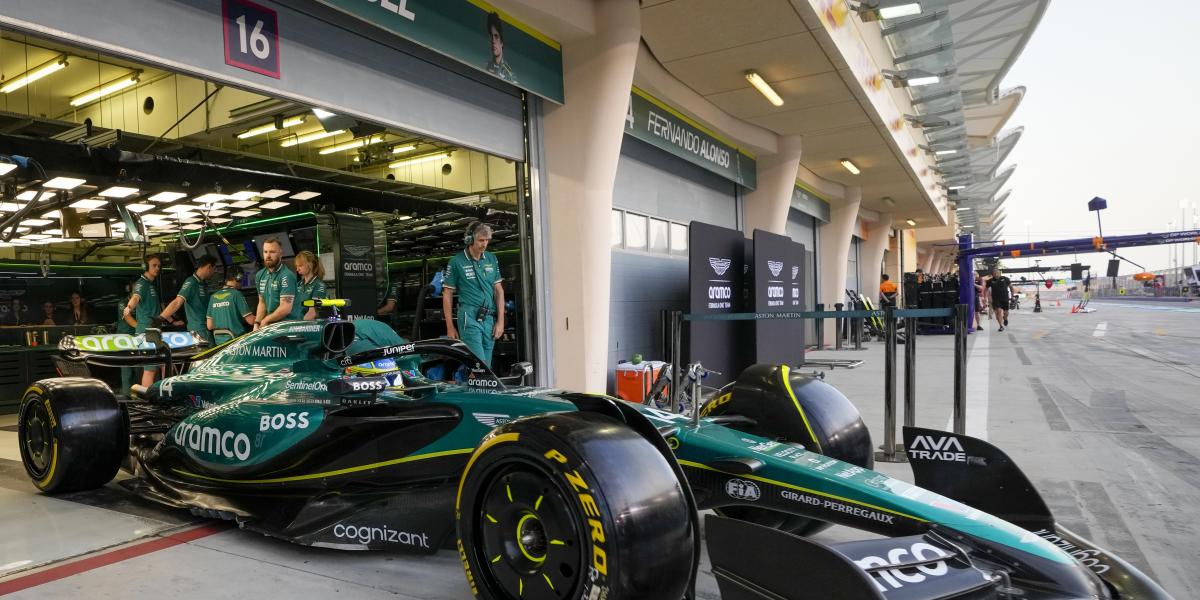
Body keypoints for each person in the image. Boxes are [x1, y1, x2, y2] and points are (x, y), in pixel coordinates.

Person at [443, 222, 505, 366]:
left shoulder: (491, 258)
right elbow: (447, 294)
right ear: (470, 239)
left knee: (486, 366)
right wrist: (450, 326)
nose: (484, 244)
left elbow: (499, 291)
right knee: (479, 364)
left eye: (487, 240)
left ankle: (477, 388)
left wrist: (501, 321)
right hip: (469, 317)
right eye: (481, 240)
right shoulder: (456, 261)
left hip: (489, 318)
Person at [125, 255, 168, 388]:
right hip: (146, 331)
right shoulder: (141, 283)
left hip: (153, 330)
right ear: (145, 267)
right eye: (154, 265)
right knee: (150, 369)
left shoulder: (150, 284)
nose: (157, 268)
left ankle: (158, 396)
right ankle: (147, 402)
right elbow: (135, 297)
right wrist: (129, 307)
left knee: (160, 365)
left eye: (159, 266)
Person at [160, 255, 216, 342]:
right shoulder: (191, 282)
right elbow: (177, 302)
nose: (214, 272)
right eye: (214, 269)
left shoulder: (203, 284)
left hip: (207, 329)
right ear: (209, 267)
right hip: (199, 331)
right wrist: (160, 318)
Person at [254, 238, 296, 329]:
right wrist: (256, 323)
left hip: (288, 326)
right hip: (271, 326)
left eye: (272, 252)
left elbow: (285, 308)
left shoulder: (287, 275)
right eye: (265, 252)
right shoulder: (260, 275)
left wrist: (266, 320)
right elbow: (262, 302)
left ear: (281, 253)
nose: (268, 255)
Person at [207, 274, 255, 343]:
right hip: (236, 341)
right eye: (241, 280)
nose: (242, 284)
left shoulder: (213, 297)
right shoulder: (236, 294)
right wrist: (263, 319)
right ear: (237, 279)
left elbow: (209, 326)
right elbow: (251, 321)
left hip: (219, 343)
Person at [291, 250, 326, 321]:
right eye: (296, 266)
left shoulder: (319, 285)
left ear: (310, 265)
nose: (297, 269)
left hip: (309, 326)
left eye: (300, 266)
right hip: (295, 323)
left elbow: (312, 313)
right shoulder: (298, 284)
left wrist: (299, 325)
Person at [484, 12, 516, 83]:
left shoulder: (509, 74)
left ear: (502, 42)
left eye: (496, 36)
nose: (493, 41)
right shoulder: (486, 65)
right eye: (491, 36)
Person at [985, 267, 1012, 332]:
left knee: (1006, 312)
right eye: (994, 273)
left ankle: (1005, 318)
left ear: (1000, 273)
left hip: (1005, 298)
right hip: (996, 299)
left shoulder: (1005, 279)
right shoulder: (990, 281)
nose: (996, 274)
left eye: (997, 273)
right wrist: (985, 297)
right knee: (998, 311)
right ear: (992, 274)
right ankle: (1001, 326)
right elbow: (986, 289)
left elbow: (1011, 287)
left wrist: (1013, 296)